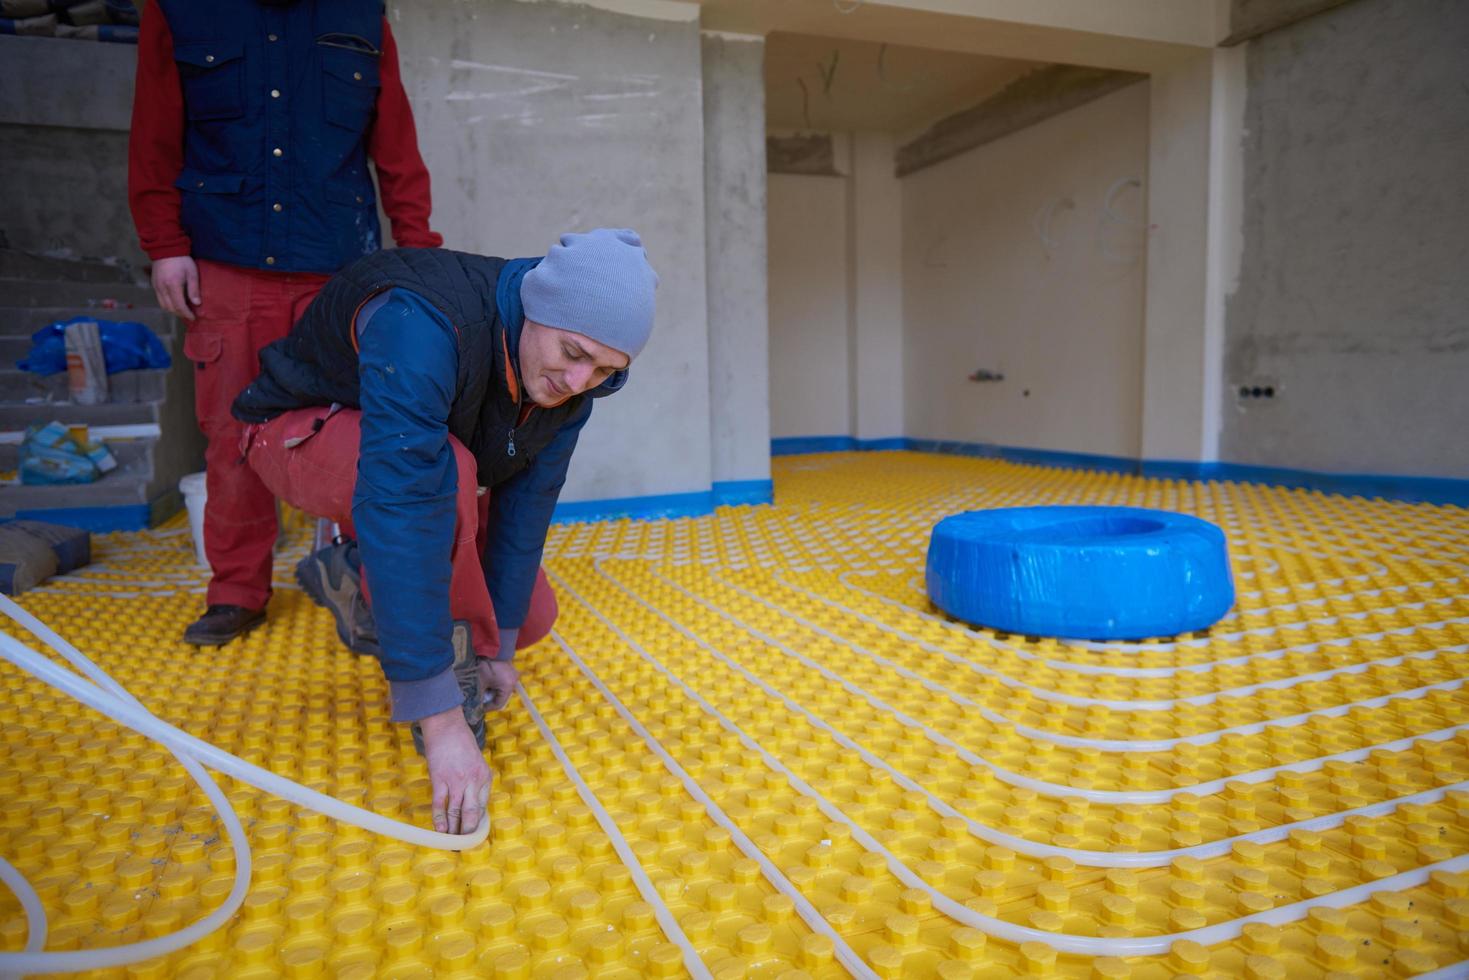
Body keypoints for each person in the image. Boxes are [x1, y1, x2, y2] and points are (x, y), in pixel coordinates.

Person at [231, 229, 658, 834]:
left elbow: (526, 508)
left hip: (398, 469)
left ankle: (355, 575)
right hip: (290, 435)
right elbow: (404, 494)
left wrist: (499, 648)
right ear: (537, 308)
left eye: (606, 371)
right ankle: (432, 662)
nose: (579, 380)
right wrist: (440, 716)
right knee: (445, 471)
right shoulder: (423, 321)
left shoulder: (572, 390)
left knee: (529, 613)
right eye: (572, 352)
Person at [127, 0, 442, 646]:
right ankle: (238, 591)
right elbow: (153, 135)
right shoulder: (177, 11)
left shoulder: (360, 14)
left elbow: (397, 148)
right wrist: (165, 245)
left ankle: (370, 585)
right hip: (226, 262)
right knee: (232, 435)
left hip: (342, 272)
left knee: (366, 433)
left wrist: (416, 258)